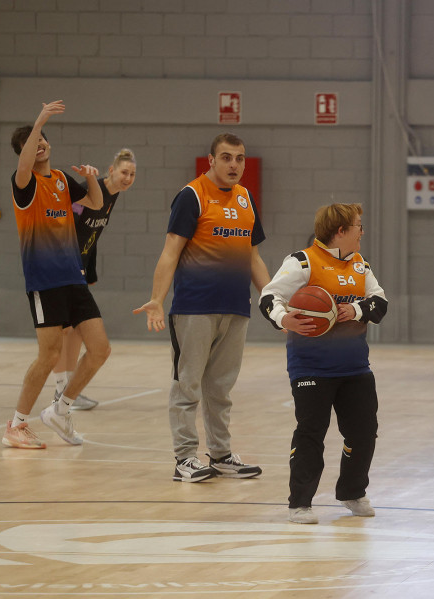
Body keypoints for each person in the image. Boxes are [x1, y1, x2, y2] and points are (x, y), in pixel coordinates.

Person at [134, 133, 268, 483]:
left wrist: (270, 300)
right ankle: (185, 459)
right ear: (211, 160)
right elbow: (170, 252)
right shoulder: (192, 195)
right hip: (195, 308)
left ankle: (221, 454)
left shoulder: (246, 199)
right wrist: (157, 300)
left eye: (239, 158)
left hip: (236, 308)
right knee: (188, 385)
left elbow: (254, 257)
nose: (234, 165)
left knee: (220, 388)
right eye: (226, 158)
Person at [259, 203, 388, 524]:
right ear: (341, 231)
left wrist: (355, 311)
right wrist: (283, 317)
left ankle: (352, 492)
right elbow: (268, 296)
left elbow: (380, 303)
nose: (362, 231)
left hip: (355, 367)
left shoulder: (361, 265)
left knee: (364, 432)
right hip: (310, 367)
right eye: (358, 226)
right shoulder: (302, 261)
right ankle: (300, 503)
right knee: (311, 433)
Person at [3, 100, 111, 449]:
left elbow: (95, 203)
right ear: (26, 154)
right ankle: (16, 425)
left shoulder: (63, 180)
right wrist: (39, 119)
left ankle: (60, 410)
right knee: (48, 355)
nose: (40, 145)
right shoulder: (25, 185)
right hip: (44, 282)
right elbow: (23, 165)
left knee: (100, 349)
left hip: (73, 279)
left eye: (42, 139)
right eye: (31, 144)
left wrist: (93, 179)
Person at [51, 148, 137, 411]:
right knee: (64, 330)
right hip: (63, 266)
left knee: (76, 329)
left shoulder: (113, 196)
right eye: (124, 172)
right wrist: (70, 265)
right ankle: (59, 391)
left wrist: (90, 271)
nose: (128, 178)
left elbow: (93, 235)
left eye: (132, 174)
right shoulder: (87, 191)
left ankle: (68, 389)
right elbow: (63, 227)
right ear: (111, 171)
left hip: (80, 268)